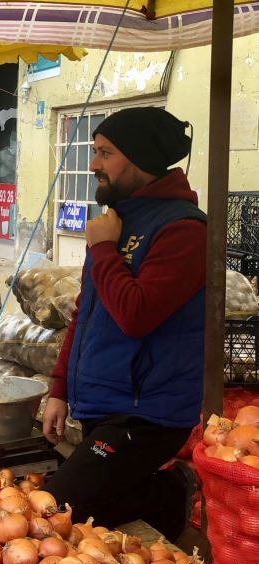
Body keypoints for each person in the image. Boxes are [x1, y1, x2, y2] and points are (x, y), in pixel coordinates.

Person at [42, 107, 203, 541]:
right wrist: (60, 389)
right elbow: (87, 312)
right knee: (85, 505)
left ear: (142, 160)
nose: (93, 164)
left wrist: (105, 249)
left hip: (148, 414)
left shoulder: (184, 230)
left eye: (105, 153)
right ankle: (161, 493)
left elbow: (136, 315)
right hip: (104, 404)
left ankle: (165, 495)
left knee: (56, 512)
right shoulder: (115, 220)